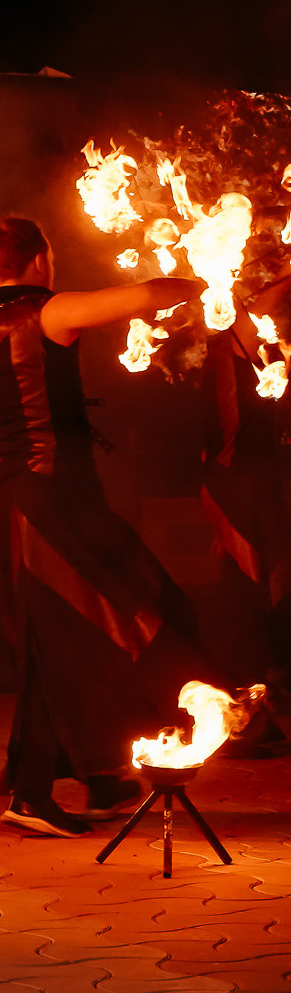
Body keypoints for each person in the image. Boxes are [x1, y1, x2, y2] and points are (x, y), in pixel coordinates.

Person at [0, 216, 207, 837]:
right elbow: (142, 296)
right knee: (123, 619)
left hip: (14, 501)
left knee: (66, 635)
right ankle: (31, 793)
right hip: (52, 503)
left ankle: (99, 777)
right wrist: (202, 278)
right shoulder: (50, 313)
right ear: (40, 260)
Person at [198, 274, 291, 752]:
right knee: (254, 599)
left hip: (248, 483)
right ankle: (247, 721)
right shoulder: (232, 333)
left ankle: (259, 715)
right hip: (237, 484)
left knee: (268, 593)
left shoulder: (247, 345)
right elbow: (269, 302)